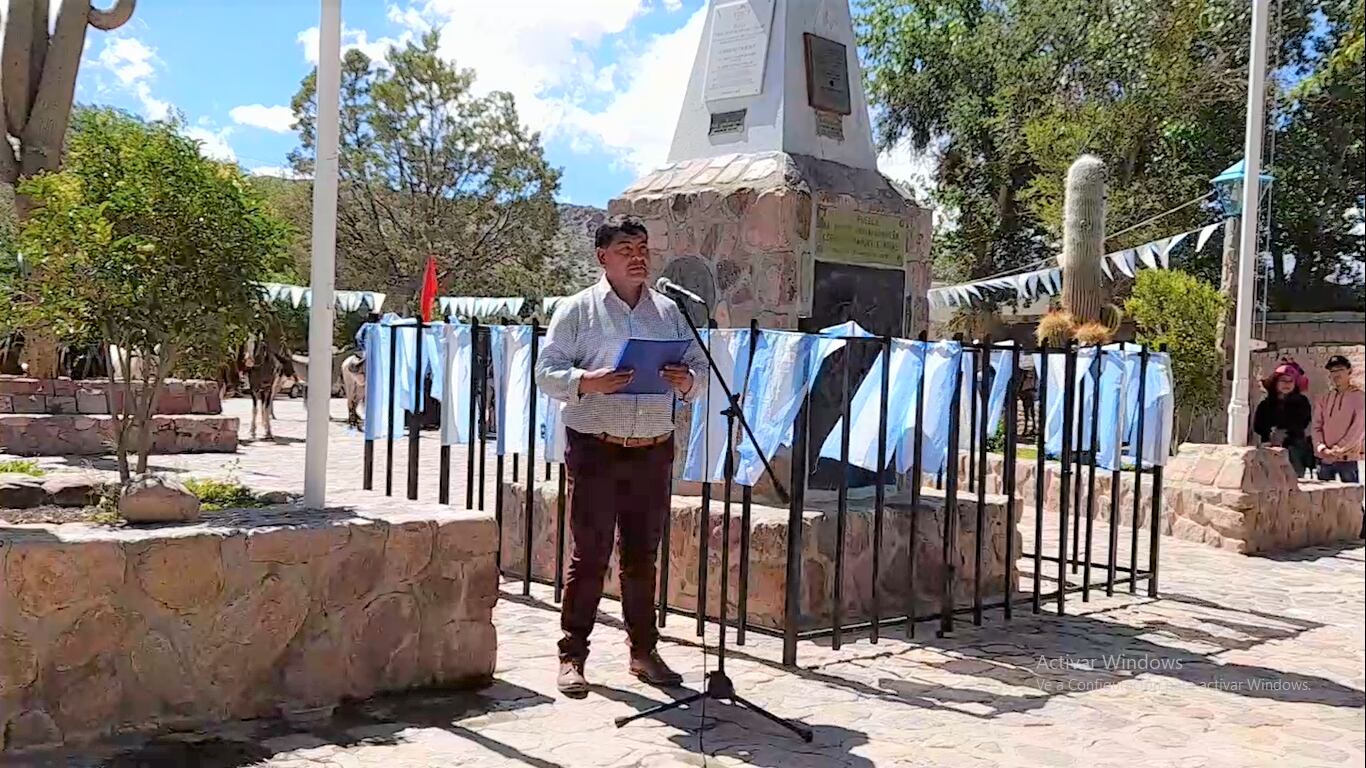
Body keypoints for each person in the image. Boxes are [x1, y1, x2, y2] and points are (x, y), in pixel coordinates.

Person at [535, 218, 708, 698]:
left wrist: (685, 381)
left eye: (644, 248)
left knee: (642, 556)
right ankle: (572, 655)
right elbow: (546, 373)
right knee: (589, 554)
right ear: (602, 257)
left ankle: (643, 652)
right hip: (596, 447)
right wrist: (588, 382)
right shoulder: (577, 311)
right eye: (626, 248)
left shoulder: (672, 312)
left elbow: (700, 370)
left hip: (653, 449)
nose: (638, 256)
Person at [1252, 363, 1315, 476]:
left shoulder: (1302, 402)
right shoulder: (1265, 404)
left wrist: (1283, 432)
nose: (1287, 384)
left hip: (1294, 449)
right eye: (1283, 380)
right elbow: (1258, 425)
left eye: (1290, 381)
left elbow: (1303, 422)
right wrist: (1270, 435)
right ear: (1275, 383)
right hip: (1269, 448)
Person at [1312, 355, 1364, 483]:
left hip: (1347, 458)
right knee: (1324, 499)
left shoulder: (1359, 397)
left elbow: (1358, 429)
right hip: (1325, 458)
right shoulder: (1325, 398)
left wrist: (1338, 449)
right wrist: (1322, 448)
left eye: (1340, 369)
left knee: (1350, 499)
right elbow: (1316, 426)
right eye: (1333, 371)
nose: (1336, 374)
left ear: (1349, 371)